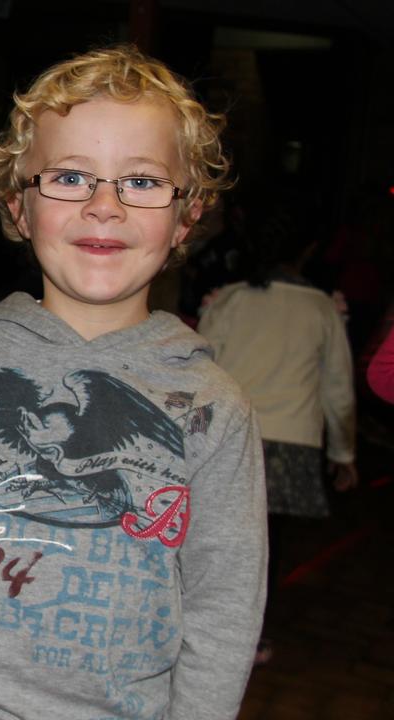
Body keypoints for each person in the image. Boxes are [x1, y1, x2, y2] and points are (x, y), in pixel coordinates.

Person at [0, 45, 266, 720]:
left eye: (141, 182)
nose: (104, 206)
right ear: (18, 207)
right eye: (69, 177)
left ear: (188, 215)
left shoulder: (214, 408)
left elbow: (223, 609)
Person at [198, 198, 357, 664]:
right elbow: (338, 387)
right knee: (264, 548)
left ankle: (202, 626)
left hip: (229, 435)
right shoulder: (322, 309)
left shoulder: (228, 299)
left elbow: (198, 369)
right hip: (291, 442)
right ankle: (250, 636)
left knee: (211, 539)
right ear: (310, 250)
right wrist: (344, 452)